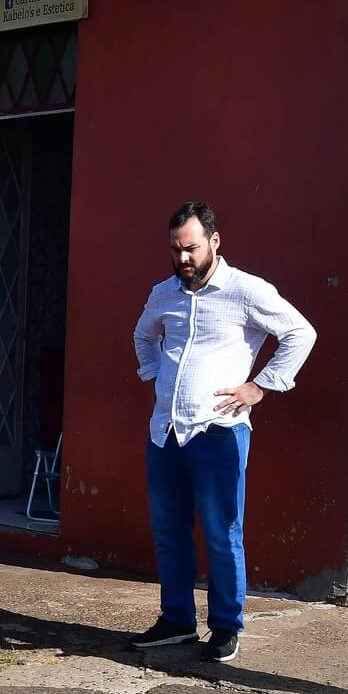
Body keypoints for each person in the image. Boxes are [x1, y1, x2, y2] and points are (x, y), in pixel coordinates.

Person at [131, 201, 316, 663]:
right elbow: (142, 334)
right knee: (168, 530)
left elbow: (300, 333)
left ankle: (226, 626)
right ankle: (176, 620)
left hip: (219, 431)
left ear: (214, 241)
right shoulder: (164, 293)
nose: (183, 259)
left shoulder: (245, 290)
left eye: (190, 248)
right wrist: (156, 373)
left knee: (221, 531)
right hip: (165, 431)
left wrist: (260, 386)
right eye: (175, 250)